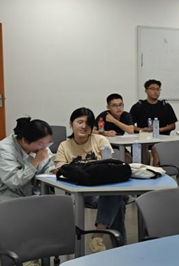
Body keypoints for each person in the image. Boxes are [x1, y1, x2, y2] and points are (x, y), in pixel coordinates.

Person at [0, 117, 56, 266]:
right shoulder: (3, 150)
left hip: (24, 194)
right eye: (41, 144)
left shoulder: (38, 146)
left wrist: (53, 169)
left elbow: (47, 164)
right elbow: (14, 182)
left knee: (50, 208)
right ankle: (27, 261)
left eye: (48, 143)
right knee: (28, 214)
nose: (45, 147)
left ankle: (42, 252)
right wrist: (35, 161)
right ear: (25, 140)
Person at [54, 108, 127, 254]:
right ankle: (120, 247)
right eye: (79, 122)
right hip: (83, 192)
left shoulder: (100, 140)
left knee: (113, 194)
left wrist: (78, 170)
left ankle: (97, 237)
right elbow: (60, 168)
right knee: (117, 200)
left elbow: (110, 165)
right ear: (71, 124)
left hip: (104, 187)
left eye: (87, 123)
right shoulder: (64, 145)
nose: (83, 126)